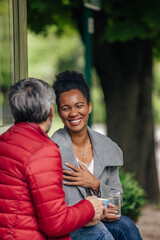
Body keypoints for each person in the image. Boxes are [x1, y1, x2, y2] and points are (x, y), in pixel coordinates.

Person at [0, 78, 111, 240]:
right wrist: (91, 206)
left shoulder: (4, 140)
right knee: (102, 234)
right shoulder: (43, 150)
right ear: (52, 110)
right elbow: (55, 224)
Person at [51, 70, 143, 240]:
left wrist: (95, 184)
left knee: (127, 226)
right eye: (66, 108)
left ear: (89, 106)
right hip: (73, 227)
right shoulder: (53, 149)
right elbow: (52, 207)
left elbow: (117, 197)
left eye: (79, 106)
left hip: (101, 220)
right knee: (102, 235)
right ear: (59, 113)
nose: (73, 113)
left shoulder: (106, 147)